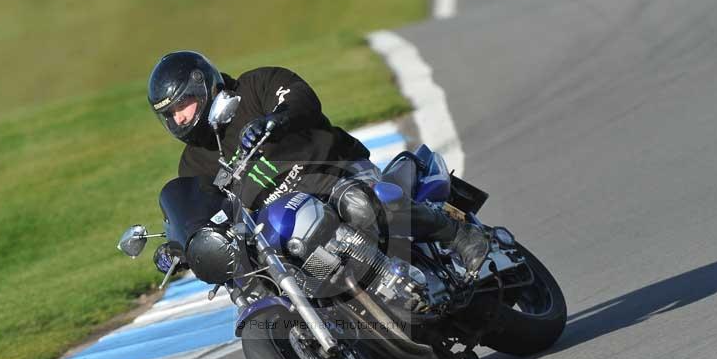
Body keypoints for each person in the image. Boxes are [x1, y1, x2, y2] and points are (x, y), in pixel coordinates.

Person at [147, 51, 488, 277]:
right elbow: (202, 214)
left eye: (184, 105)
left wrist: (275, 120)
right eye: (171, 115)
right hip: (285, 224)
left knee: (358, 205)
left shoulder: (256, 85)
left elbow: (301, 98)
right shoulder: (193, 163)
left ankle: (457, 234)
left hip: (335, 172)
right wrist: (182, 247)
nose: (180, 118)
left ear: (204, 87)